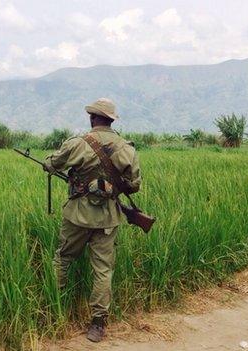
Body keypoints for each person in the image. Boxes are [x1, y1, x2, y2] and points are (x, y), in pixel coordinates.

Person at [43, 98, 141, 342]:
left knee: (63, 259)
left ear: (92, 118)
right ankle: (97, 324)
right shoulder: (126, 148)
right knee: (103, 270)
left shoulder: (77, 144)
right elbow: (134, 185)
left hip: (77, 216)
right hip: (108, 218)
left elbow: (52, 164)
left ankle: (53, 309)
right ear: (111, 120)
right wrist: (110, 187)